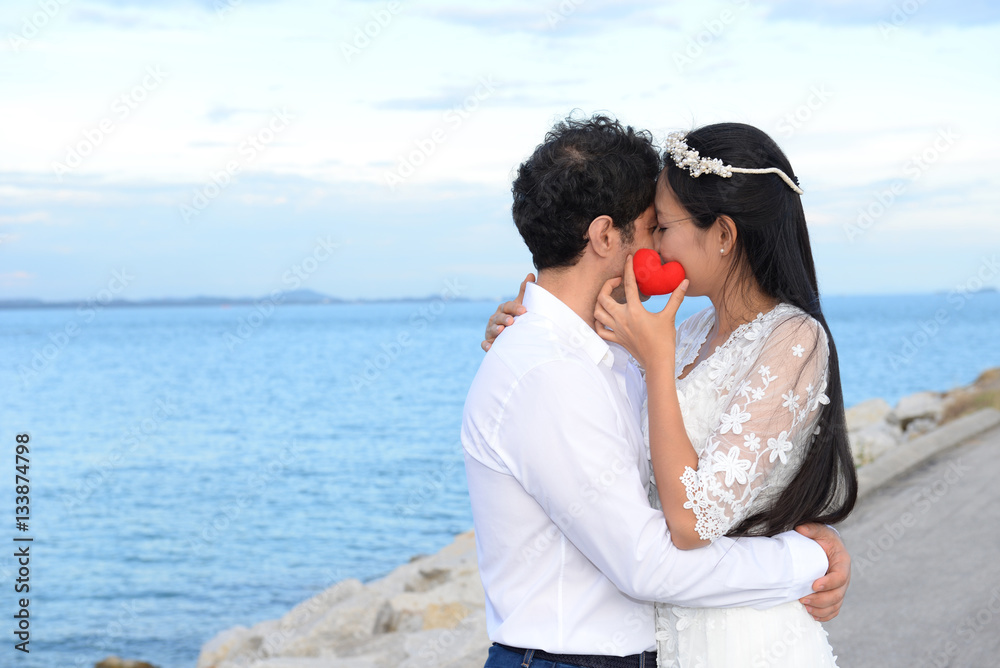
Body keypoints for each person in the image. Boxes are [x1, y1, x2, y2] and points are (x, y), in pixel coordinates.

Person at [465, 114, 851, 668]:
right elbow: (648, 561)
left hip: (724, 641)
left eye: (664, 228)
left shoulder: (634, 347)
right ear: (604, 236)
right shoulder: (562, 364)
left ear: (723, 234)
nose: (659, 251)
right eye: (653, 228)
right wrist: (805, 559)